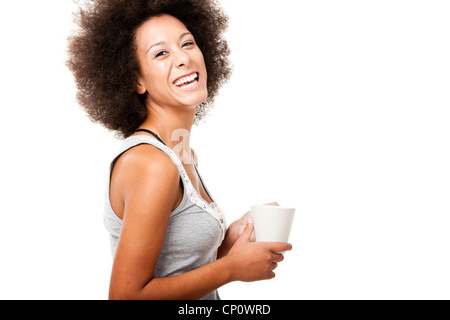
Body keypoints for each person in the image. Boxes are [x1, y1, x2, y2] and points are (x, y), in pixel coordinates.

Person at [67, 0, 292, 300]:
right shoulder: (152, 163)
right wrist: (231, 269)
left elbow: (179, 269)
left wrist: (228, 244)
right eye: (161, 53)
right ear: (136, 80)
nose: (183, 58)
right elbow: (126, 296)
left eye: (187, 43)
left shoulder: (179, 152)